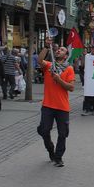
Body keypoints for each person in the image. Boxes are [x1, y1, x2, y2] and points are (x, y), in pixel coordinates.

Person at [37, 37, 75, 167]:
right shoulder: (49, 65)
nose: (59, 50)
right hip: (48, 105)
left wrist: (58, 80)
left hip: (62, 107)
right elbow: (39, 60)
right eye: (58, 49)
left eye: (62, 50)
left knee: (63, 133)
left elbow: (71, 87)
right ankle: (50, 149)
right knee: (44, 131)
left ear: (66, 56)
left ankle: (58, 157)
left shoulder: (69, 69)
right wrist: (46, 47)